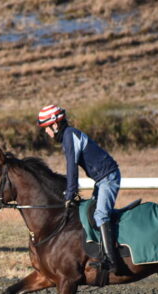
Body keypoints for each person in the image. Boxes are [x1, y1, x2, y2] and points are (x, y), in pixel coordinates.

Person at [37, 104, 121, 274]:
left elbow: (71, 167)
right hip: (102, 179)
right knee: (91, 213)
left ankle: (112, 262)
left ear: (55, 124)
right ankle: (100, 252)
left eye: (46, 128)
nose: (46, 132)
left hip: (108, 178)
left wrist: (71, 193)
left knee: (100, 215)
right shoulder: (69, 135)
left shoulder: (70, 135)